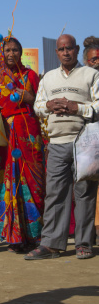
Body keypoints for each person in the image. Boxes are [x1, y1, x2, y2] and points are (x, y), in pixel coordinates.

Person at [26, 34, 99, 260]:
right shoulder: (48, 78)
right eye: (61, 49)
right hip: (57, 143)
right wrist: (49, 104)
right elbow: (38, 106)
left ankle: (83, 244)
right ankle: (51, 245)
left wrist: (76, 107)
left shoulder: (91, 74)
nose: (65, 52)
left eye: (69, 48)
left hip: (85, 142)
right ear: (56, 52)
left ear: (77, 50)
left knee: (85, 194)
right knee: (55, 194)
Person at [0, 37, 46, 252]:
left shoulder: (31, 76)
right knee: (5, 184)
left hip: (28, 137)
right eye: (7, 50)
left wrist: (30, 97)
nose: (11, 54)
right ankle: (14, 237)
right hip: (4, 139)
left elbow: (42, 105)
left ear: (21, 53)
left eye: (16, 50)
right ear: (1, 53)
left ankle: (35, 237)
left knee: (34, 185)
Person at [83, 37, 99, 237]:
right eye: (93, 60)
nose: (97, 63)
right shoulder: (83, 79)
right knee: (88, 186)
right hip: (89, 139)